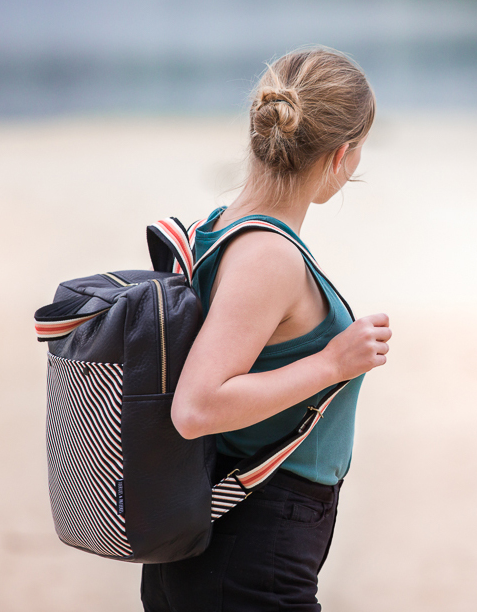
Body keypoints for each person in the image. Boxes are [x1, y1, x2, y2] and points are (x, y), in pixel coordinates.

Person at [140, 46, 392, 612]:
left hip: (217, 532)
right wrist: (332, 363)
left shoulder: (220, 227)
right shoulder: (269, 255)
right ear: (341, 155)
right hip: (250, 542)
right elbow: (197, 407)